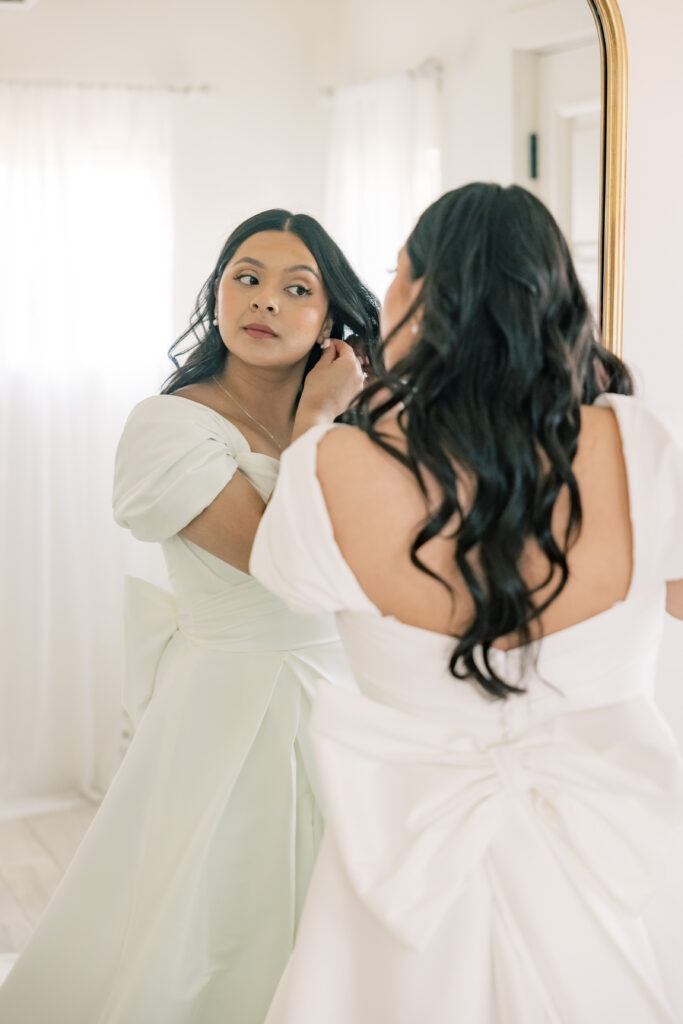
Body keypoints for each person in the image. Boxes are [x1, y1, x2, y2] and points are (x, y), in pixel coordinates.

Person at [250, 184, 683, 1023]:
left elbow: (289, 580)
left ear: (413, 293)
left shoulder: (326, 468)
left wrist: (316, 423)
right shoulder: (635, 446)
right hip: (596, 857)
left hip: (398, 871)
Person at [0, 209, 379, 1024]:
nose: (265, 302)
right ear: (216, 296)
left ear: (331, 320)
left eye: (296, 288)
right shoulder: (168, 425)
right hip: (228, 702)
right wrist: (313, 426)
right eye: (246, 278)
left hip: (349, 695)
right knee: (212, 919)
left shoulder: (366, 424)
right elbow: (285, 563)